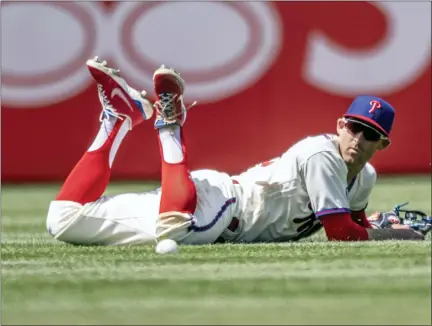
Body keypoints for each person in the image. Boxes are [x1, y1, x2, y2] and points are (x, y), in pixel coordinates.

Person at [46, 57, 429, 246]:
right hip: (226, 209)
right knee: (174, 228)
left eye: (371, 134)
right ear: (341, 125)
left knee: (62, 221)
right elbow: (340, 232)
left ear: (383, 144)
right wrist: (399, 236)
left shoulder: (365, 177)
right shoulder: (322, 155)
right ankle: (169, 123)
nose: (359, 139)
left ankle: (118, 120)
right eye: (356, 128)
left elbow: (357, 222)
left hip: (200, 197)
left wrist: (378, 226)